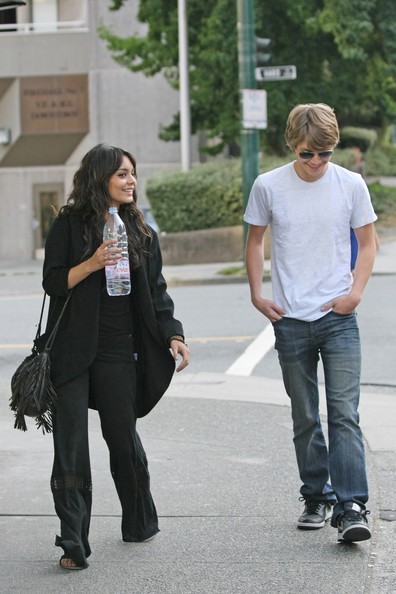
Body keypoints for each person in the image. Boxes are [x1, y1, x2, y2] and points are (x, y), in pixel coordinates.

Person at [42, 143, 190, 570]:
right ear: (99, 177)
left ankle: (139, 518)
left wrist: (173, 334)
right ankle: (73, 540)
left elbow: (157, 293)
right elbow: (53, 283)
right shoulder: (69, 226)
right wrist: (91, 263)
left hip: (118, 350)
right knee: (70, 447)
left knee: (122, 438)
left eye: (133, 174)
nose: (130, 181)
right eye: (121, 174)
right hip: (72, 350)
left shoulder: (141, 230)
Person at [244, 103, 377, 543]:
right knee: (305, 416)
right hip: (290, 321)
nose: (317, 162)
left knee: (344, 415)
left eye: (325, 154)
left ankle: (352, 505)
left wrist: (355, 292)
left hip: (338, 318)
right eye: (307, 155)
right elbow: (255, 240)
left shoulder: (350, 184)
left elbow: (368, 240)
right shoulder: (268, 186)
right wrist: (257, 293)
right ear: (291, 146)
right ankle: (315, 496)